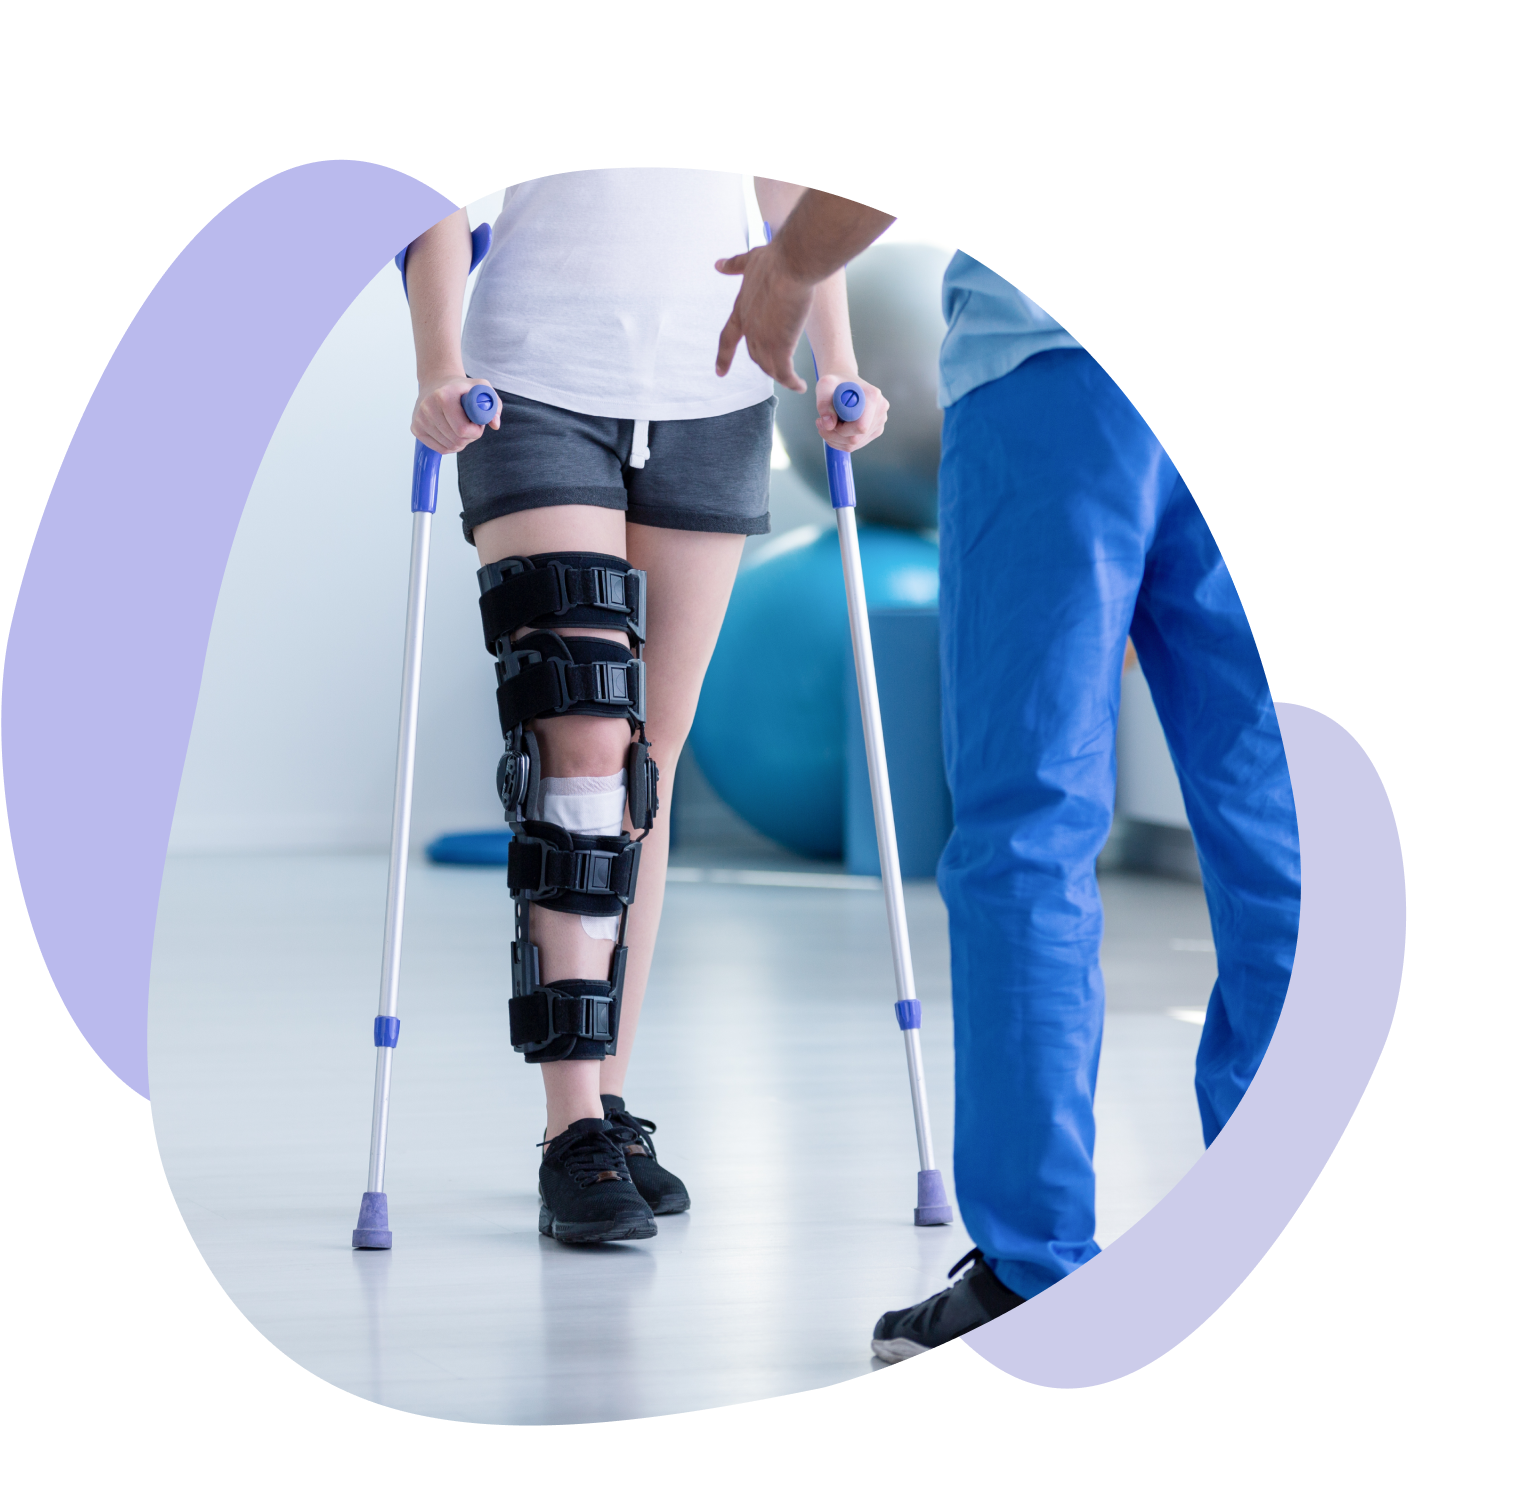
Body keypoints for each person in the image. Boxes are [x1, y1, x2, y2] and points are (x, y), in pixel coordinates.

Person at [716, 198, 1300, 1360]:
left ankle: (1036, 1269)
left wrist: (790, 264)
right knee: (1276, 824)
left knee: (1025, 828)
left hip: (1050, 377)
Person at [405, 170, 888, 1245]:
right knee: (573, 742)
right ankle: (569, 1125)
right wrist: (438, 363)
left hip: (713, 390)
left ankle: (610, 1100)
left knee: (639, 772)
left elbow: (791, 197)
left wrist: (838, 364)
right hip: (529, 387)